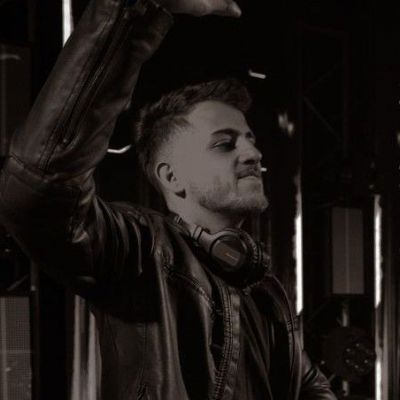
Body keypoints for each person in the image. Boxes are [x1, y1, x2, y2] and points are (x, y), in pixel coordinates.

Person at [0, 0, 337, 399]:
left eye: (250, 140)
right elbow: (38, 188)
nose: (253, 153)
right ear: (171, 177)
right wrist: (133, 12)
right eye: (225, 144)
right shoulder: (139, 251)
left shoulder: (265, 292)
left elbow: (311, 388)